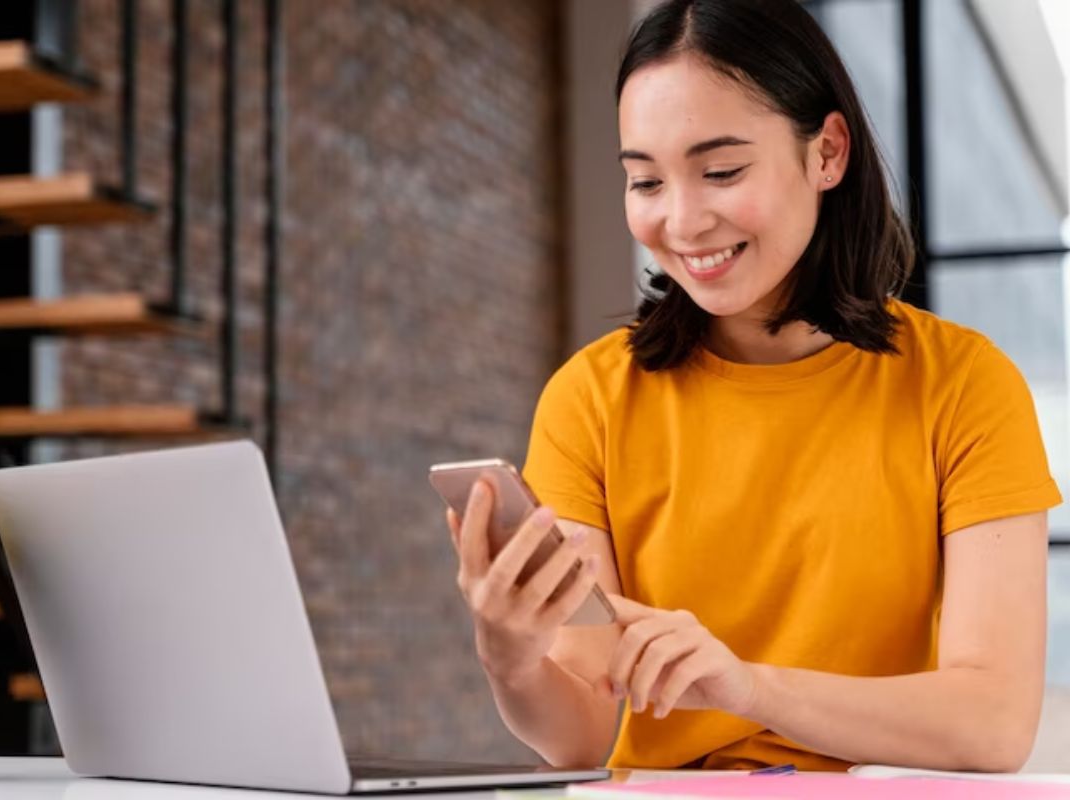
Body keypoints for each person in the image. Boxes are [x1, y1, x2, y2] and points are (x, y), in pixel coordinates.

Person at [445, 0, 1062, 773]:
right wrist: (512, 657)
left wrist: (747, 687)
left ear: (828, 152)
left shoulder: (964, 386)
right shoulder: (590, 399)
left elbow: (992, 725)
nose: (682, 219)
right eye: (645, 181)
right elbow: (577, 737)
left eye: (722, 171)